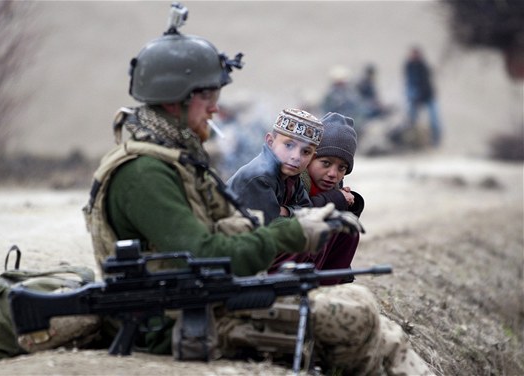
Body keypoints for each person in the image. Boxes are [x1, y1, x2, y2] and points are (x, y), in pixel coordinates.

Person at [82, 4, 435, 375]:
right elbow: (205, 252)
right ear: (176, 99)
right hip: (176, 321)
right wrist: (292, 231)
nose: (216, 110)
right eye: (208, 98)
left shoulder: (176, 158)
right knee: (356, 314)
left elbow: (226, 229)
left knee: (368, 320)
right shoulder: (145, 173)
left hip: (208, 301)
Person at [268, 112, 365, 284]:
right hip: (271, 258)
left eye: (342, 168)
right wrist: (335, 199)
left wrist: (347, 205)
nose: (333, 174)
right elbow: (297, 215)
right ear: (310, 157)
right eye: (326, 163)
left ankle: (328, 286)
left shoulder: (334, 184)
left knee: (347, 227)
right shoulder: (292, 177)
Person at [226, 108, 323, 225]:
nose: (296, 156)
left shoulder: (292, 176)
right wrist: (293, 213)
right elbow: (274, 228)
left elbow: (308, 211)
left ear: (312, 158)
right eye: (289, 145)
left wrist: (287, 211)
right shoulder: (259, 177)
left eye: (306, 152)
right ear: (270, 142)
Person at [404, 46, 442, 146]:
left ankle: (436, 139)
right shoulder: (409, 66)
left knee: (434, 119)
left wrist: (418, 97)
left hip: (427, 96)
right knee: (411, 115)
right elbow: (408, 82)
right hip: (415, 96)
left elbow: (425, 84)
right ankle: (411, 136)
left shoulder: (423, 66)